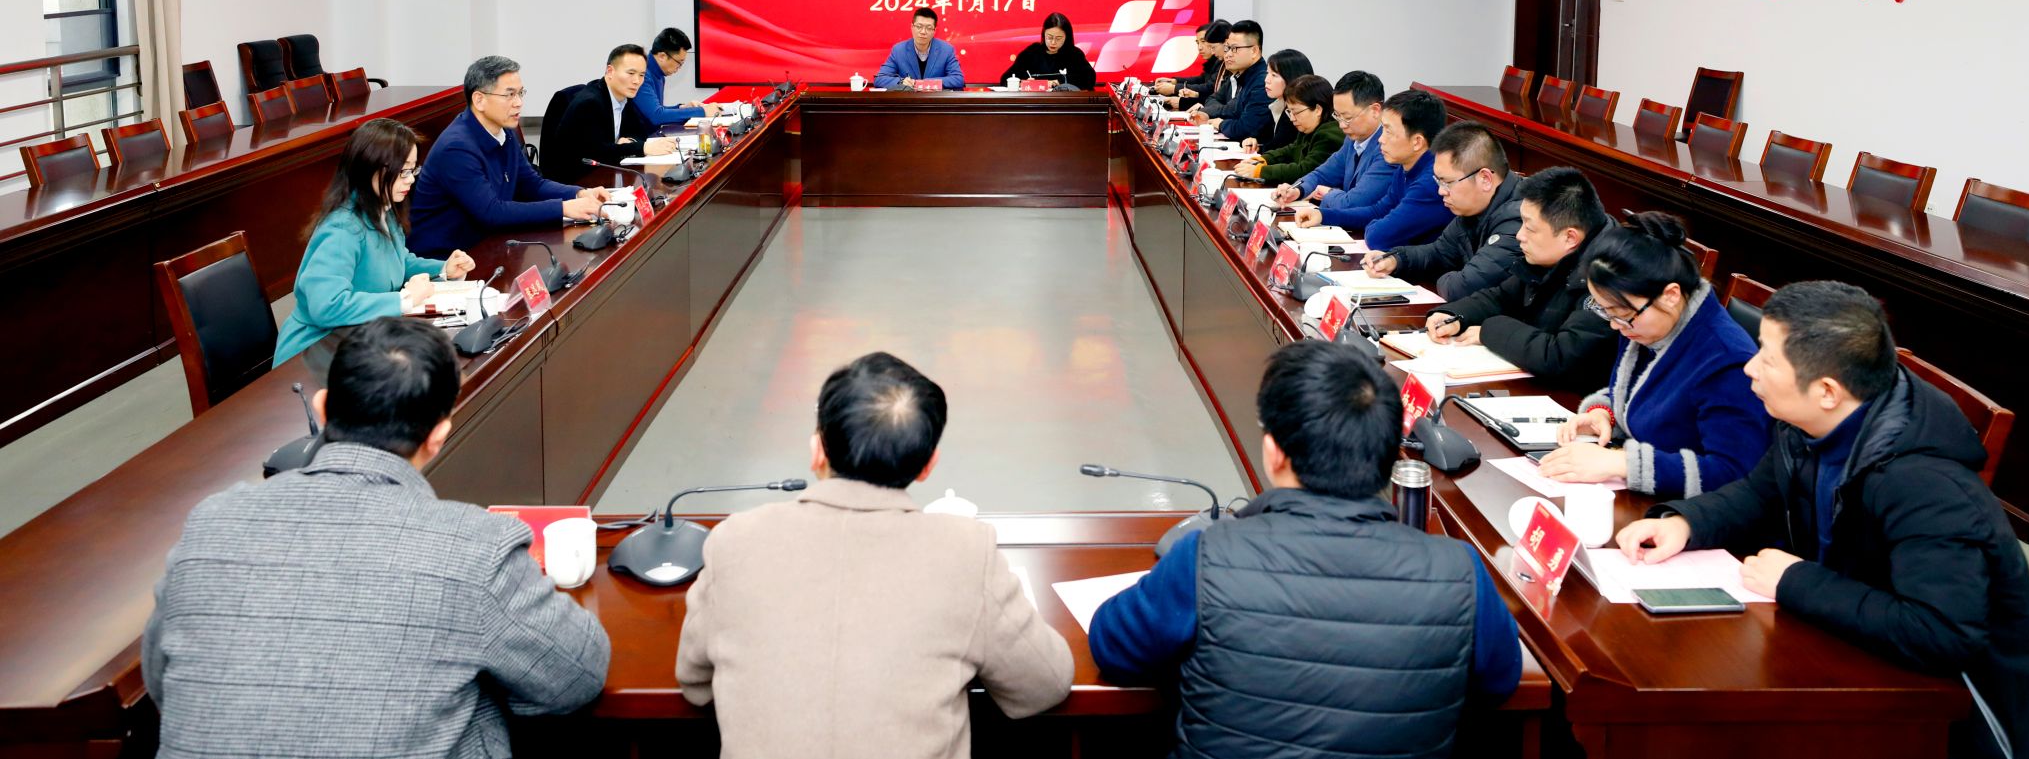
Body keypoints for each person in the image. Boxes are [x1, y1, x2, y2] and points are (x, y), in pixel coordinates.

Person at [1615, 283, 2029, 759]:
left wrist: (1795, 581)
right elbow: (1759, 492)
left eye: (1767, 360)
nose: (1749, 368)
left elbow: (1940, 632)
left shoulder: (1926, 485)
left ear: (1826, 391)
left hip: (1954, 714)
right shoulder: (1811, 419)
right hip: (1843, 641)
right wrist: (1686, 523)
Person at [144, 318, 610, 759]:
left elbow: (163, 678)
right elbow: (577, 675)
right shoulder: (474, 548)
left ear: (322, 407)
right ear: (438, 435)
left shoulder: (212, 522)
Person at [1089, 340, 1521, 756]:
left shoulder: (1207, 556)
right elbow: (1500, 683)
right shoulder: (1458, 571)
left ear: (1274, 452)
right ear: (1391, 456)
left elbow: (1113, 647)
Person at [675, 353, 1071, 759]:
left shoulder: (734, 540)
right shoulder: (967, 551)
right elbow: (1045, 685)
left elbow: (694, 683)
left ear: (817, 451)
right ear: (928, 465)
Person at [1538, 212, 1768, 497]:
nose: (1615, 325)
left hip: (1685, 511)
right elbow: (1646, 391)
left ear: (1671, 295)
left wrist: (1622, 463)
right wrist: (1605, 413)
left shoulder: (1726, 360)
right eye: (1606, 312)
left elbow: (1732, 472)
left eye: (1621, 314)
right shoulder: (1650, 322)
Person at [273, 118, 476, 366]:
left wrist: (443, 269)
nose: (410, 180)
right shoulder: (342, 228)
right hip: (315, 350)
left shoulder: (384, 209)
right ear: (370, 169)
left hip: (360, 337)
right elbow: (326, 305)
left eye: (413, 170)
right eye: (402, 172)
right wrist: (403, 300)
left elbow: (398, 261)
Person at [1423, 165, 1614, 390]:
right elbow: (1502, 296)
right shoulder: (1549, 255)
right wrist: (1454, 314)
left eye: (1530, 228)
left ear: (1570, 238)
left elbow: (1561, 357)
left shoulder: (1608, 277)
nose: (1519, 235)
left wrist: (1489, 331)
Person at [408, 55, 608, 258]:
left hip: (488, 244)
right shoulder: (456, 148)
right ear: (479, 100)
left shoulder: (505, 131)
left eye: (520, 93)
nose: (519, 103)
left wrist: (579, 193)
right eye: (509, 95)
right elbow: (491, 212)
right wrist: (563, 208)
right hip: (448, 259)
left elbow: (531, 184)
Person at [1362, 120, 1524, 301]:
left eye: (1447, 182)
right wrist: (1396, 259)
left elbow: (1463, 288)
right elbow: (1438, 253)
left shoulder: (1520, 218)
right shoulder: (1472, 208)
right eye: (1438, 181)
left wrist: (1440, 276)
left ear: (1485, 179)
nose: (1441, 191)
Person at [1292, 88, 1451, 251]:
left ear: (1417, 142)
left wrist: (1376, 222)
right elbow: (1378, 211)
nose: (1381, 139)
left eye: (1388, 132)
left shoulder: (1431, 182)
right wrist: (1323, 215)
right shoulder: (1406, 167)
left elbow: (1379, 237)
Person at [537, 43, 679, 182]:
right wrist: (642, 147)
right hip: (577, 180)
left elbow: (639, 131)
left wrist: (630, 141)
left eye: (641, 75)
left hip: (605, 172)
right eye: (631, 73)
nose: (637, 81)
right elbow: (597, 153)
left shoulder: (624, 97)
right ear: (610, 71)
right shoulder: (590, 103)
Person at [1273, 71, 1395, 228]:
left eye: (1347, 118)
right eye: (1337, 116)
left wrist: (1328, 193)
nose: (1341, 125)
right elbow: (1321, 174)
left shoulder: (1388, 149)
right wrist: (1298, 190)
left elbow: (1352, 204)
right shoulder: (1352, 139)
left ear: (1375, 110)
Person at [1231, 74, 1340, 186]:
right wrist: (1264, 159)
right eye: (1289, 112)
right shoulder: (1310, 128)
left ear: (1317, 110)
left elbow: (1304, 171)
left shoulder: (1329, 136)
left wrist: (1260, 171)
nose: (1292, 118)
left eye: (1296, 112)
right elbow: (1291, 150)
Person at [1190, 20, 1269, 144]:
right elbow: (1229, 109)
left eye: (1234, 49)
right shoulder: (1243, 76)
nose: (1228, 55)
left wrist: (1220, 123)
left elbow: (1245, 128)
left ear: (1254, 51)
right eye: (1227, 48)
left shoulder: (1262, 82)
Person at [634, 26, 725, 127]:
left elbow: (656, 109)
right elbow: (657, 116)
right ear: (662, 56)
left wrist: (683, 108)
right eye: (679, 63)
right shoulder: (642, 75)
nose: (679, 68)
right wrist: (702, 111)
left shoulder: (659, 74)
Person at [1237, 47, 1312, 156]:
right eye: (1267, 73)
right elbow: (1261, 137)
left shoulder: (1297, 113)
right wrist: (1253, 142)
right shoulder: (1278, 104)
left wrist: (1261, 148)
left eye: (1274, 75)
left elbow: (1280, 148)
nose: (1266, 80)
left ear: (1292, 78)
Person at [874, 7, 965, 90]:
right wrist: (902, 81)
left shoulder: (946, 50)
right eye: (919, 26)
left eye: (928, 28)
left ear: (934, 31)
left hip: (935, 101)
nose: (923, 32)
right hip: (908, 101)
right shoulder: (899, 50)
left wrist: (926, 83)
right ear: (912, 27)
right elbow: (880, 79)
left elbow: (958, 79)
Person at [1001, 11, 1097, 89]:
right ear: (1044, 34)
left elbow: (1089, 79)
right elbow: (1005, 79)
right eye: (1049, 37)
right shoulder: (1032, 52)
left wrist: (1059, 81)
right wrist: (1023, 83)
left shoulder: (1074, 54)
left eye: (1058, 38)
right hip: (1035, 104)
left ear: (1066, 37)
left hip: (1064, 104)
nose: (1053, 42)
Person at [1155, 19, 1231, 109]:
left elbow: (1211, 90)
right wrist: (1176, 82)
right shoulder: (1221, 63)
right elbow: (1215, 96)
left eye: (1204, 41)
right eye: (1198, 42)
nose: (1199, 47)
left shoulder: (1226, 64)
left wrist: (1176, 91)